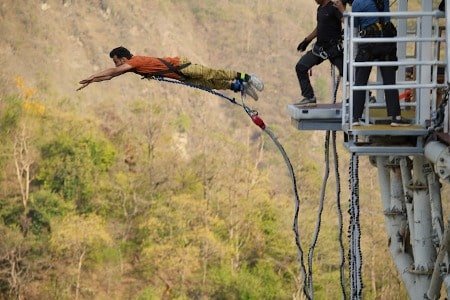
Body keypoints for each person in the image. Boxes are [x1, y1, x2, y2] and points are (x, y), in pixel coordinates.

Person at [78, 46, 264, 101]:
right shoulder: (134, 67)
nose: (116, 64)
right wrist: (93, 80)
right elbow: (111, 75)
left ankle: (248, 77)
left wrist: (93, 77)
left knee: (211, 74)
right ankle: (238, 86)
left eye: (116, 61)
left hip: (180, 66)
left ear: (122, 58)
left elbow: (112, 72)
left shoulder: (135, 62)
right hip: (180, 75)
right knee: (209, 84)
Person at [342, 0, 409, 126]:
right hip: (386, 43)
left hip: (368, 43)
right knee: (389, 81)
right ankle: (396, 117)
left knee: (360, 81)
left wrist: (343, 12)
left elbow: (354, 26)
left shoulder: (358, 3)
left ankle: (355, 117)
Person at [295, 0, 346, 106]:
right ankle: (309, 97)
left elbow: (347, 22)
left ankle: (364, 95)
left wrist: (342, 9)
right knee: (301, 67)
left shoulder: (334, 7)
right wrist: (307, 40)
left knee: (347, 72)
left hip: (334, 49)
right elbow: (319, 27)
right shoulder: (320, 9)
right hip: (320, 49)